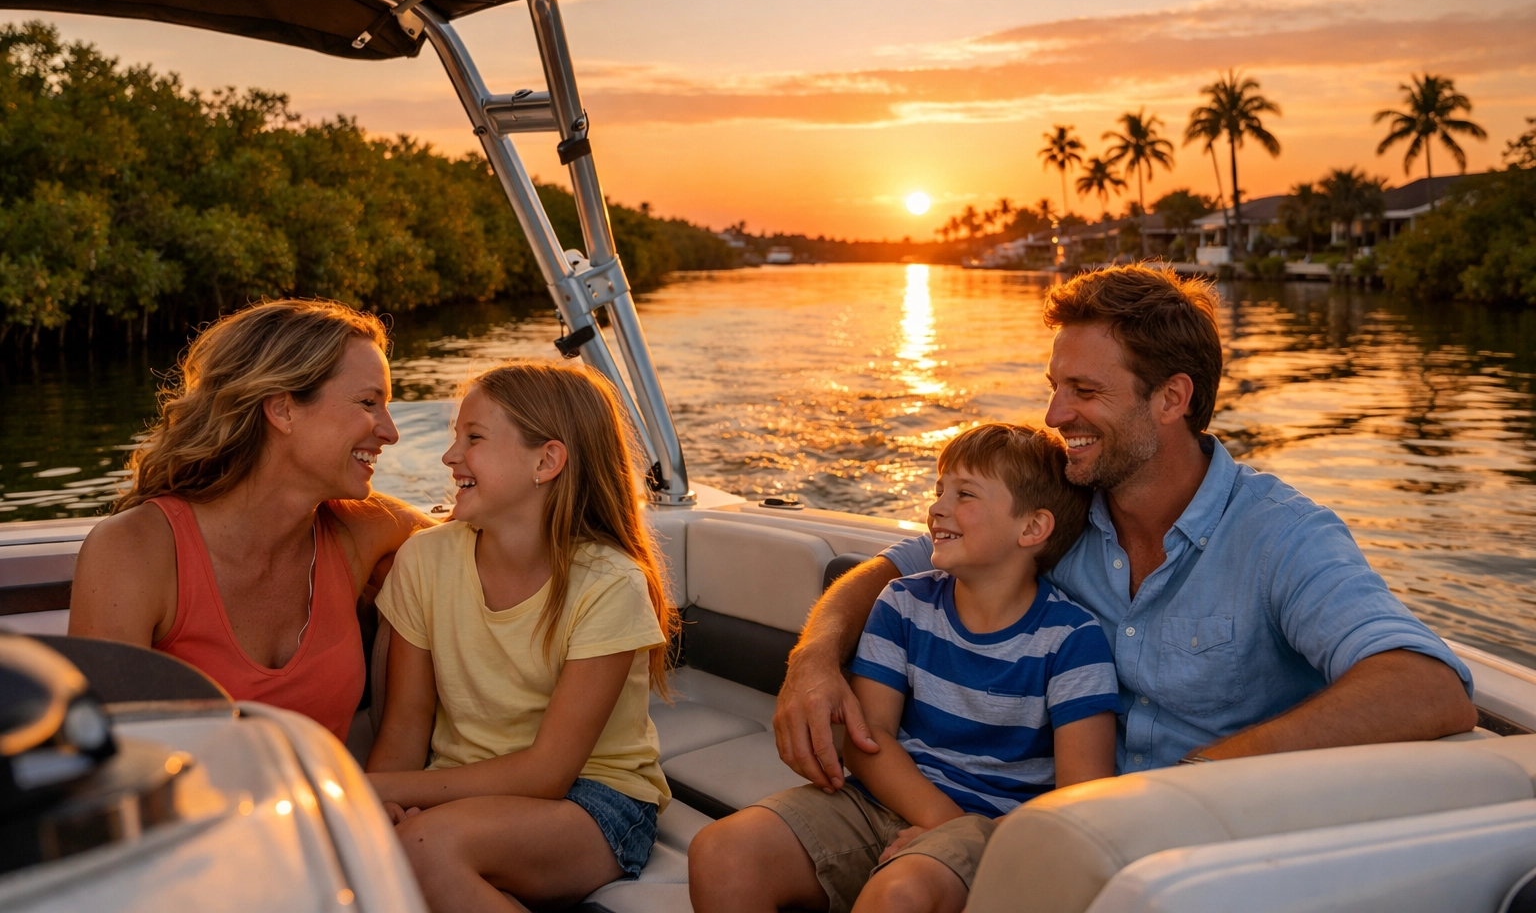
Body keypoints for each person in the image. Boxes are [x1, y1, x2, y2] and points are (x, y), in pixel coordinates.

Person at [774, 264, 1476, 790]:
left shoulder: (1280, 537)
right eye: (1055, 386)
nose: (1053, 415)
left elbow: (1429, 688)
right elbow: (893, 570)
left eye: (1084, 391)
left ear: (1172, 398)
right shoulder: (1061, 507)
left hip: (1206, 844)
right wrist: (812, 659)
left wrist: (1205, 772)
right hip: (1064, 831)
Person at [692, 423, 1120, 913]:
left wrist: (957, 833)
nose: (938, 507)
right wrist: (941, 822)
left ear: (1031, 528)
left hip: (995, 827)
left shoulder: (1071, 639)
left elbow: (1078, 797)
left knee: (900, 893)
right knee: (721, 851)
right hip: (882, 802)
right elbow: (866, 736)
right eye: (940, 490)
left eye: (965, 494)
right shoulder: (903, 601)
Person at [366, 361, 679, 913]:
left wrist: (388, 794)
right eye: (454, 436)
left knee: (421, 850)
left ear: (546, 460)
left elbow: (547, 772)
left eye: (475, 438)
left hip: (595, 801)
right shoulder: (425, 559)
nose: (449, 456)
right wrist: (378, 801)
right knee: (364, 851)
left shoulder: (607, 583)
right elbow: (405, 727)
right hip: (456, 790)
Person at [70, 299, 432, 741]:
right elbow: (99, 754)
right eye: (368, 403)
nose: (390, 431)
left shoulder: (362, 530)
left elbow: (487, 539)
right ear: (282, 409)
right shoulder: (134, 552)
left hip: (322, 807)